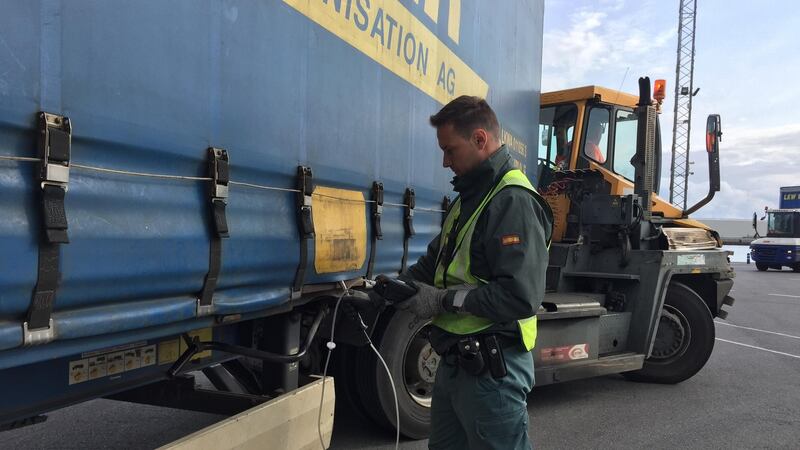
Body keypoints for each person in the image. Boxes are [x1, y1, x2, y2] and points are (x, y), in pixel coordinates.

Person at [392, 96, 553, 449]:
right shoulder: (469, 199)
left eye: (450, 150)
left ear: (480, 140)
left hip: (494, 370)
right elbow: (432, 265)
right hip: (456, 363)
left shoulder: (512, 201)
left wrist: (442, 301)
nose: (445, 162)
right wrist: (386, 292)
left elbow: (520, 296)